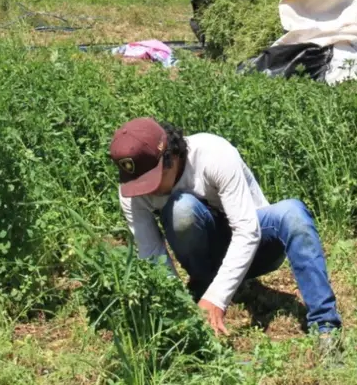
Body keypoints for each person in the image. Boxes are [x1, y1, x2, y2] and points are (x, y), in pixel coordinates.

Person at [109, 117, 343, 342]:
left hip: (258, 247)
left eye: (152, 180)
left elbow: (247, 231)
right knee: (183, 210)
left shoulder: (213, 154)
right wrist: (179, 313)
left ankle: (325, 325)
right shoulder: (131, 192)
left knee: (292, 213)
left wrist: (217, 299)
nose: (146, 191)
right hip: (206, 259)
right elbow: (152, 256)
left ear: (170, 156)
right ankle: (202, 284)